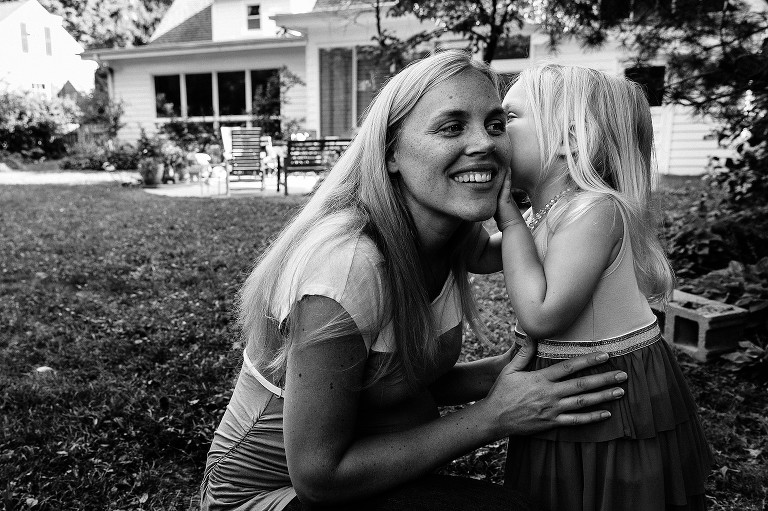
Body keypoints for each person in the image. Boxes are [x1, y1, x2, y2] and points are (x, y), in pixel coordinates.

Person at [200, 51, 628, 511]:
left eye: (496, 124)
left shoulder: (453, 237)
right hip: (266, 498)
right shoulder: (348, 267)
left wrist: (509, 370)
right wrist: (492, 417)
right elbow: (318, 478)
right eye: (451, 127)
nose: (483, 143)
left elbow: (389, 386)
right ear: (391, 154)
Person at [494, 63, 713, 510]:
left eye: (508, 119)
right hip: (569, 377)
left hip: (614, 386)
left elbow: (541, 315)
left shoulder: (594, 209)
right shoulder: (550, 211)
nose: (493, 130)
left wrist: (509, 218)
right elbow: (477, 255)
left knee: (609, 490)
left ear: (569, 138)